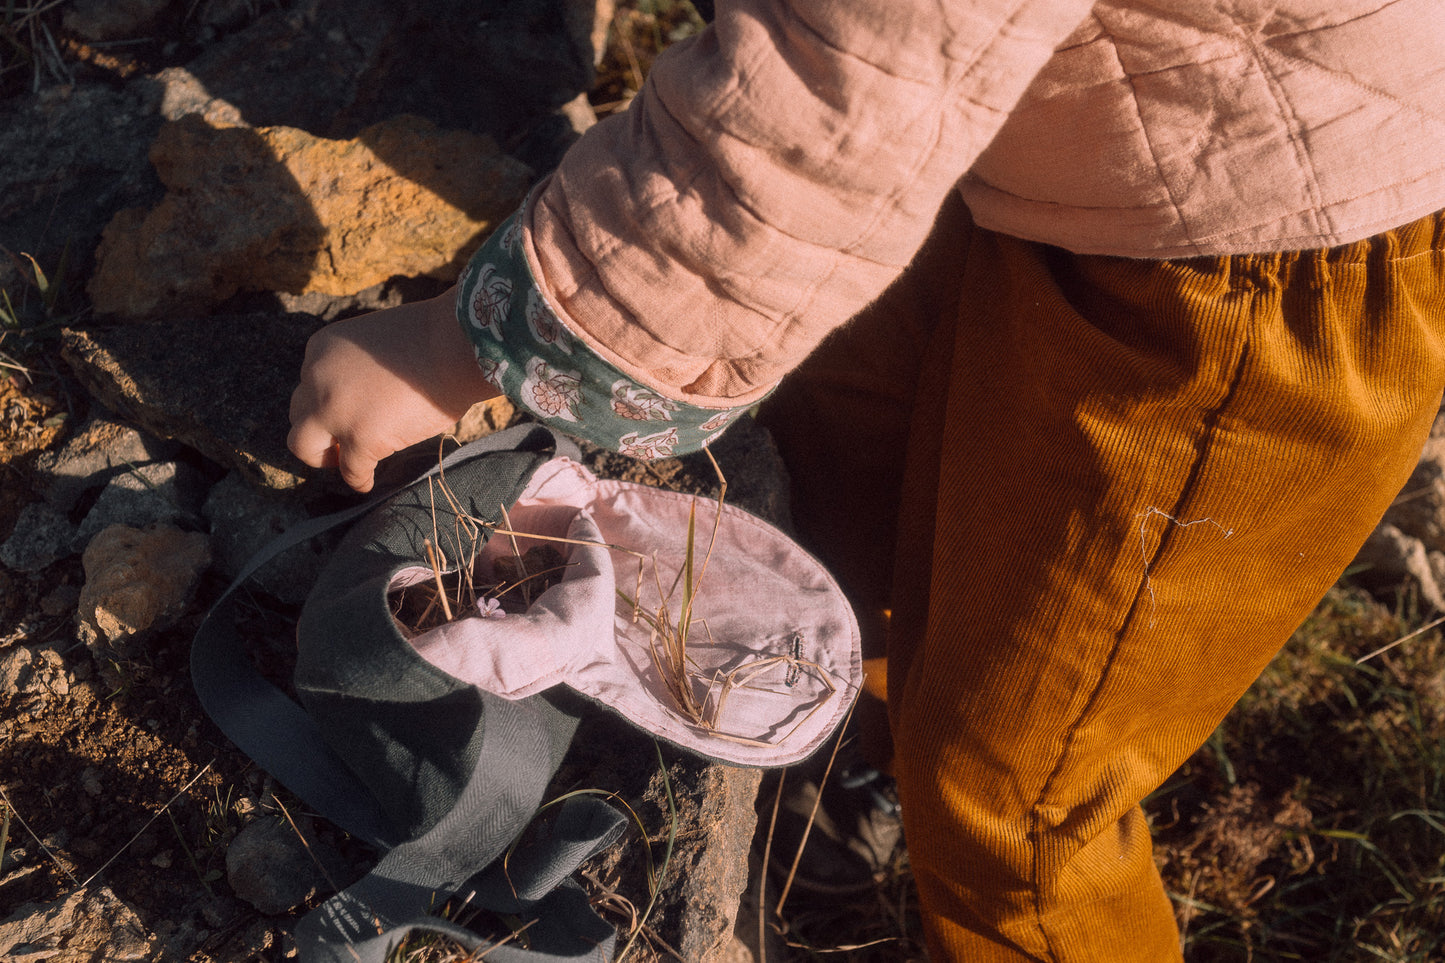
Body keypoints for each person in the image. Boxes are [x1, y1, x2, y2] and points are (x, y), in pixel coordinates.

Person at [288, 0, 1445, 958]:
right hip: (1064, 132)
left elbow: (839, 79)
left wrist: (467, 346)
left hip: (1256, 264)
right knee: (865, 502)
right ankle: (858, 782)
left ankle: (971, 863)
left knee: (1015, 794)